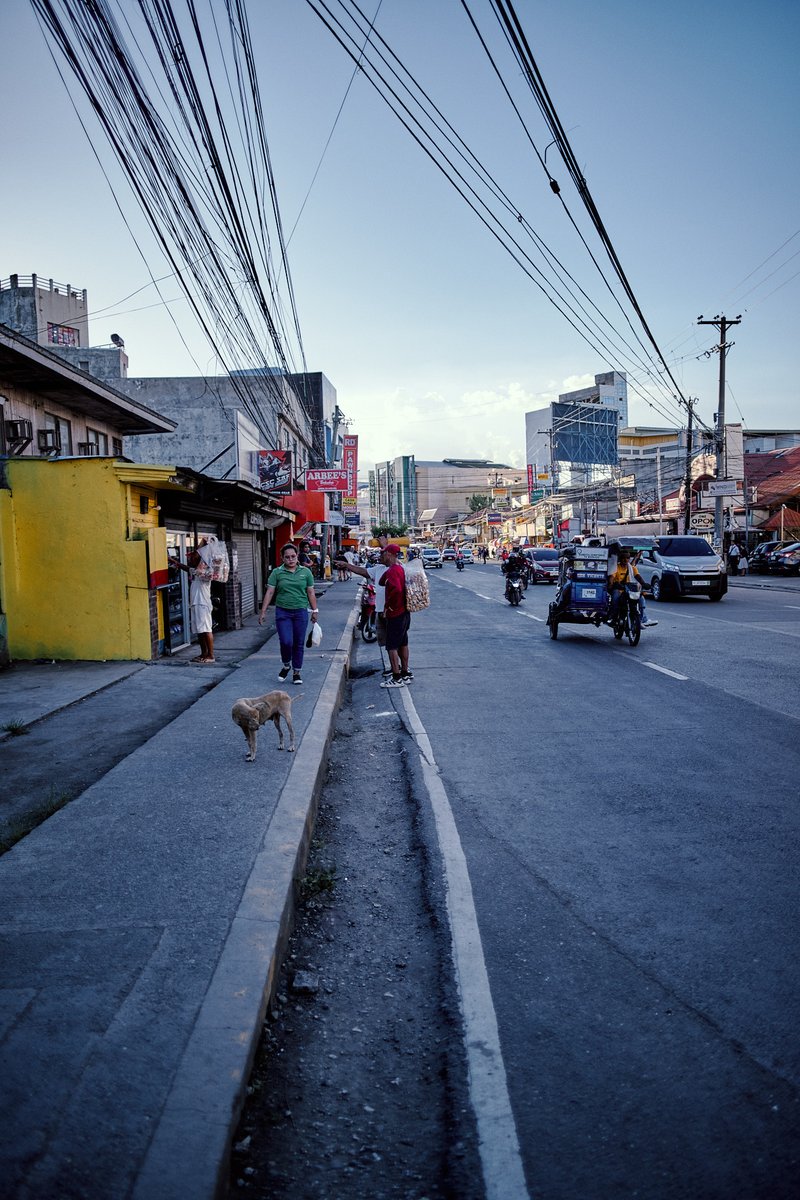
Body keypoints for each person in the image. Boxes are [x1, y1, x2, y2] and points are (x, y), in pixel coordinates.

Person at [258, 543, 318, 685]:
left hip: (300, 612)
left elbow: (310, 592)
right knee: (286, 641)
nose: (290, 559)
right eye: (287, 557)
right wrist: (263, 611)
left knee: (298, 643)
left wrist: (315, 610)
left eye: (293, 556)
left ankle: (297, 672)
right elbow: (270, 592)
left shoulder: (306, 572)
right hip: (283, 612)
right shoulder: (277, 573)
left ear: (297, 556)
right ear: (282, 558)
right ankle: (286, 665)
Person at [169, 538, 216, 663]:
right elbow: (187, 568)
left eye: (195, 558)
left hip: (203, 604)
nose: (192, 559)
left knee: (206, 629)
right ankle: (203, 654)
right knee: (199, 630)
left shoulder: (205, 572)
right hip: (195, 603)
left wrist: (204, 548)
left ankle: (211, 655)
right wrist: (174, 562)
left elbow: (199, 562)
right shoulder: (196, 571)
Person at [378, 543, 411, 688]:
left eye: (384, 554)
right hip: (405, 612)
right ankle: (405, 673)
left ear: (389, 555)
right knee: (403, 642)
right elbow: (380, 582)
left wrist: (388, 607)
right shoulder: (398, 569)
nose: (382, 556)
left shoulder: (393, 571)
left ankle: (396, 677)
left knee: (391, 646)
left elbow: (396, 590)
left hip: (395, 613)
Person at [608, 548, 650, 625]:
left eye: (627, 558)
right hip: (619, 589)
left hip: (629, 589)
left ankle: (642, 619)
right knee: (615, 600)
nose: (626, 559)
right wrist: (611, 584)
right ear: (620, 558)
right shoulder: (616, 567)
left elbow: (638, 576)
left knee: (641, 599)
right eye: (623, 557)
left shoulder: (632, 567)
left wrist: (644, 584)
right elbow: (611, 578)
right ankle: (613, 618)